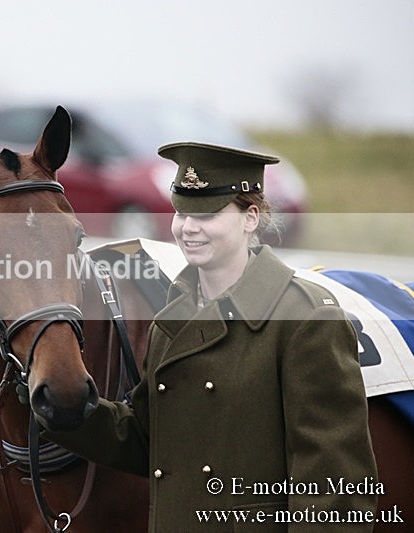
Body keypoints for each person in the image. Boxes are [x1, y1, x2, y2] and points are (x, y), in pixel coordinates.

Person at [46, 142, 378, 531]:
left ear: (250, 218)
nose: (188, 228)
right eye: (181, 212)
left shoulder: (305, 321)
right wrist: (68, 413)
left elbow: (336, 492)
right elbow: (150, 440)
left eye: (207, 214)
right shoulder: (172, 318)